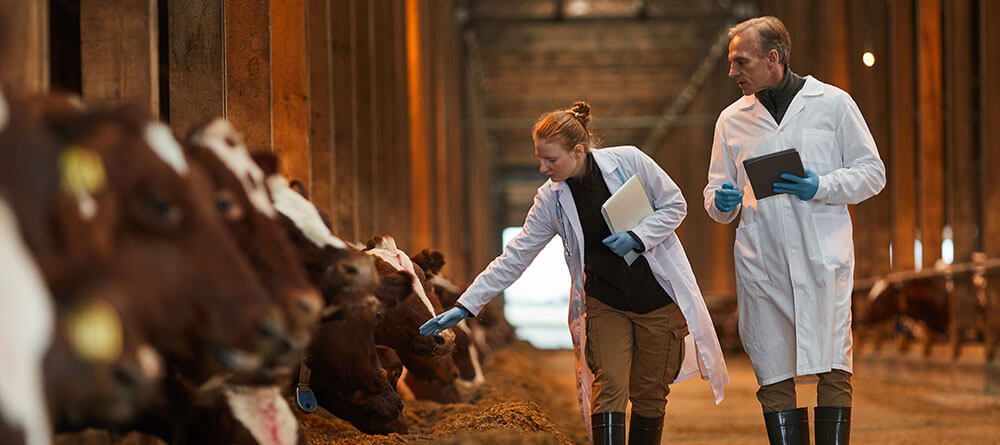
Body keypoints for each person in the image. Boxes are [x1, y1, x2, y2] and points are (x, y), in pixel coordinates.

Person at [421, 102, 727, 445]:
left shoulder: (630, 161)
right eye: (540, 158)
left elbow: (675, 204)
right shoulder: (550, 199)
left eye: (550, 159)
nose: (542, 167)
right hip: (604, 301)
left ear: (578, 151)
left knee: (651, 392)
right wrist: (465, 306)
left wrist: (638, 237)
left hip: (658, 299)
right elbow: (515, 256)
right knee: (609, 384)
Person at [704, 16, 886, 445]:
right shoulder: (731, 120)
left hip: (822, 258)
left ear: (773, 59)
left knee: (833, 363)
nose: (732, 72)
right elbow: (714, 189)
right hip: (762, 263)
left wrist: (821, 186)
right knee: (773, 369)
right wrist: (721, 201)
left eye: (740, 62)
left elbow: (872, 173)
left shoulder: (834, 104)